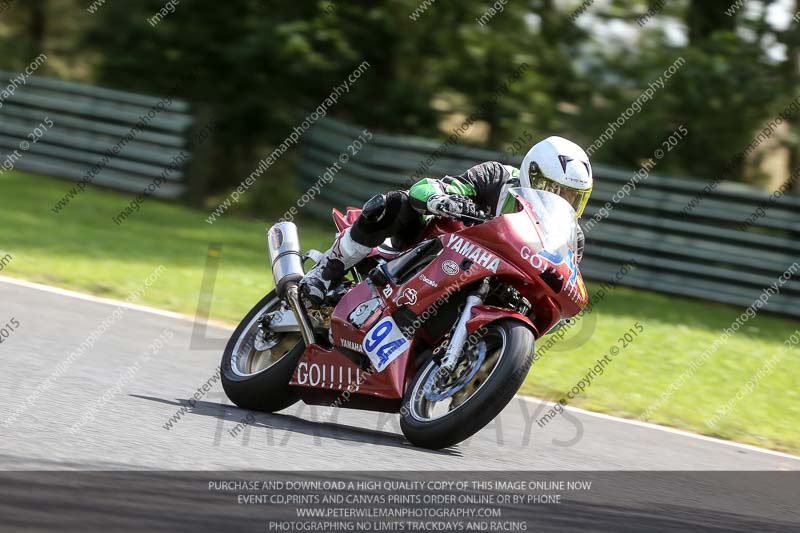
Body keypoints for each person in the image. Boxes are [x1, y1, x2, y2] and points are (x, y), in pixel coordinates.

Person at [299, 136, 593, 306]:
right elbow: (427, 188)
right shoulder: (497, 178)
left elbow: (562, 280)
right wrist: (444, 199)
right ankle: (325, 271)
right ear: (532, 173)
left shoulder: (570, 237)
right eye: (554, 189)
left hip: (493, 286)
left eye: (572, 196)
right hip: (436, 252)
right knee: (395, 203)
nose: (561, 199)